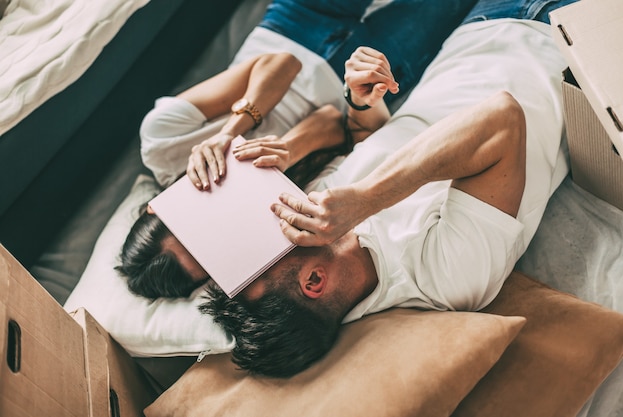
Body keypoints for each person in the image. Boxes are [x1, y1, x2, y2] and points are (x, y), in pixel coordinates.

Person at [199, 0, 577, 378]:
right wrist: (365, 200)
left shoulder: (318, 217)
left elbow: (367, 136)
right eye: (265, 256)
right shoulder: (444, 278)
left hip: (475, 27)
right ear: (314, 281)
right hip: (557, 35)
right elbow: (501, 119)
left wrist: (361, 102)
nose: (263, 232)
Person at [116, 0, 479, 299]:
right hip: (359, 77)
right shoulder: (272, 225)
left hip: (299, 23)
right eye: (209, 248)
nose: (214, 220)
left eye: (193, 224)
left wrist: (230, 132)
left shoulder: (162, 143)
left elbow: (282, 64)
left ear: (158, 204)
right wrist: (289, 150)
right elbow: (336, 123)